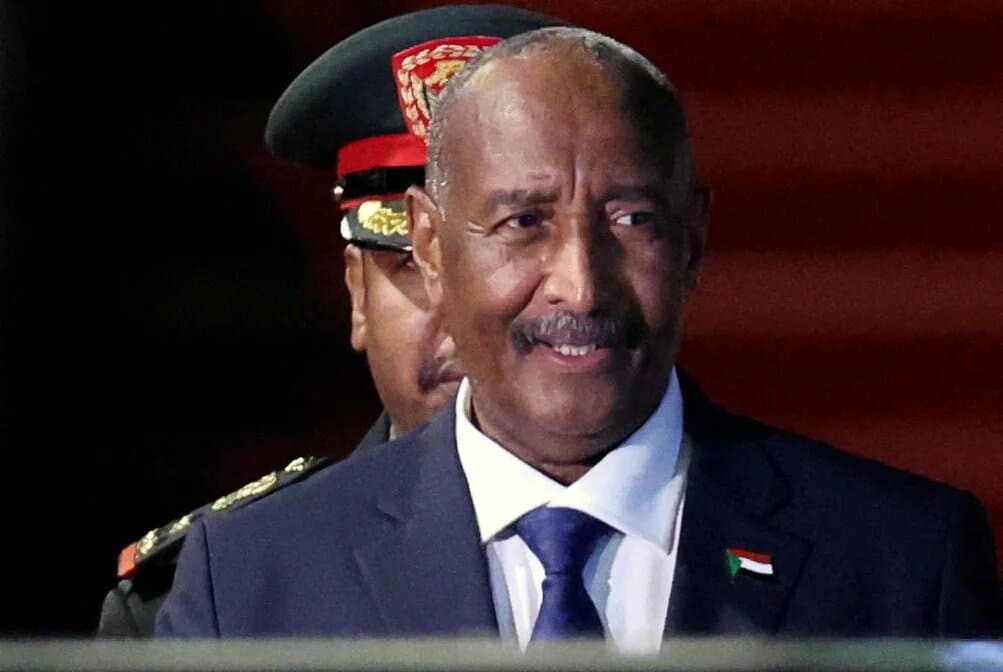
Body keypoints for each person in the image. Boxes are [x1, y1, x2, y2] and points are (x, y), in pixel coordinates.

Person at [153, 26, 1002, 647]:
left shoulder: (900, 559)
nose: (580, 286)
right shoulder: (255, 578)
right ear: (430, 249)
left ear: (694, 241)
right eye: (522, 222)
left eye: (630, 219)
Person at [96, 4, 566, 637]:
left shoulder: (711, 512)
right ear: (357, 296)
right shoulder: (222, 600)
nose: (460, 314)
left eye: (506, 253)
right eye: (411, 265)